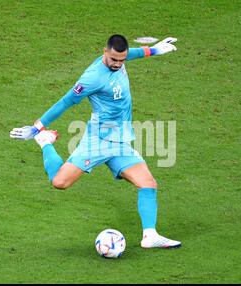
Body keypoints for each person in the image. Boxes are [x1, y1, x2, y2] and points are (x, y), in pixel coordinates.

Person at [10, 34, 181, 248]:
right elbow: (65, 102)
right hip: (98, 141)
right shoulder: (92, 78)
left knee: (148, 184)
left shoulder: (120, 60)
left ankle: (150, 236)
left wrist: (154, 50)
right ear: (104, 52)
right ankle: (46, 142)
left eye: (122, 60)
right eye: (114, 60)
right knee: (60, 183)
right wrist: (37, 128)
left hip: (120, 142)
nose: (118, 64)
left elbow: (132, 53)